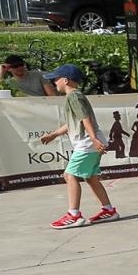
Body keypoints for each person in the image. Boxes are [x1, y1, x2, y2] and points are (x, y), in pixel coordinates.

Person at [37, 64, 118, 229]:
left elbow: (84, 117)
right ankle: (108, 210)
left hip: (87, 144)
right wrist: (54, 134)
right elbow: (72, 122)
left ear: (65, 80)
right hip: (90, 143)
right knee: (90, 177)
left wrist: (94, 139)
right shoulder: (75, 96)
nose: (54, 83)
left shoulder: (73, 97)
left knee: (70, 176)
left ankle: (73, 214)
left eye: (56, 79)